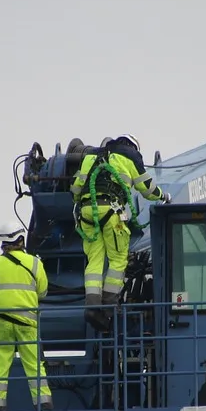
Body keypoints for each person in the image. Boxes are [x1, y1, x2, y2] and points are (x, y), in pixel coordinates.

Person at [70, 134, 171, 331]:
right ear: (133, 146)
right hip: (111, 211)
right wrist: (163, 196)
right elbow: (147, 189)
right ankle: (108, 308)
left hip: (87, 212)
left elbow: (75, 189)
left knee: (95, 260)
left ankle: (91, 306)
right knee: (117, 260)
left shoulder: (91, 156)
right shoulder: (130, 156)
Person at [0, 221, 53, 411]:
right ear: (21, 239)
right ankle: (43, 403)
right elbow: (43, 292)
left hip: (1, 323)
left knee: (0, 365)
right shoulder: (35, 263)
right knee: (33, 364)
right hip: (27, 324)